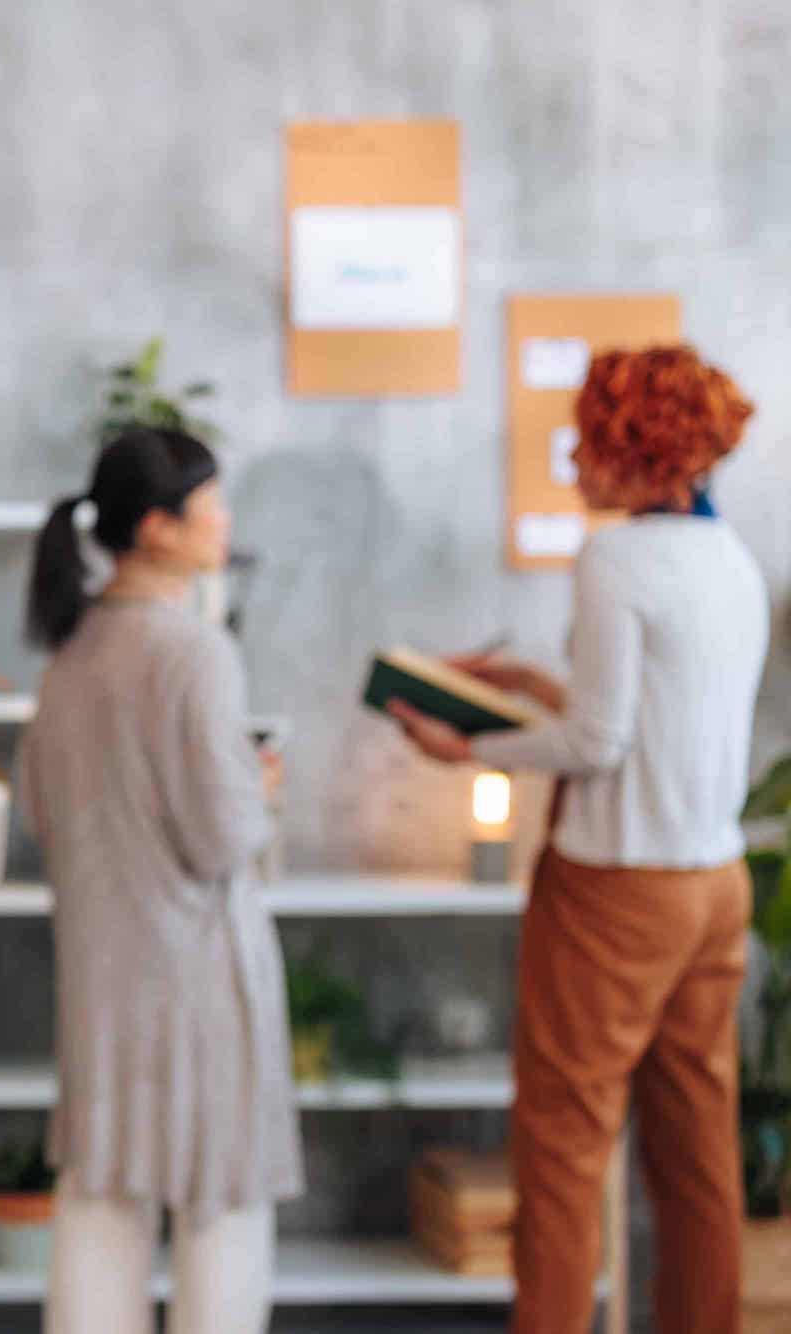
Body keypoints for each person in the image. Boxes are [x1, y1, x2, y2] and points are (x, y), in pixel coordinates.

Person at [388, 345, 765, 1334]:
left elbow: (596, 744)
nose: (572, 464)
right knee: (695, 1154)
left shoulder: (612, 558)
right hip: (710, 885)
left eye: (589, 444)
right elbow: (654, 727)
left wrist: (460, 747)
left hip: (612, 891)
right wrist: (520, 686)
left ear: (640, 454)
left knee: (559, 1147)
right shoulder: (730, 560)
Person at [16, 427, 301, 1334]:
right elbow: (222, 841)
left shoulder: (68, 659)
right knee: (221, 1220)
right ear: (155, 528)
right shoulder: (195, 651)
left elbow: (40, 809)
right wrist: (257, 789)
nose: (224, 520)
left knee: (100, 1212)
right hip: (201, 990)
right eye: (208, 502)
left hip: (103, 982)